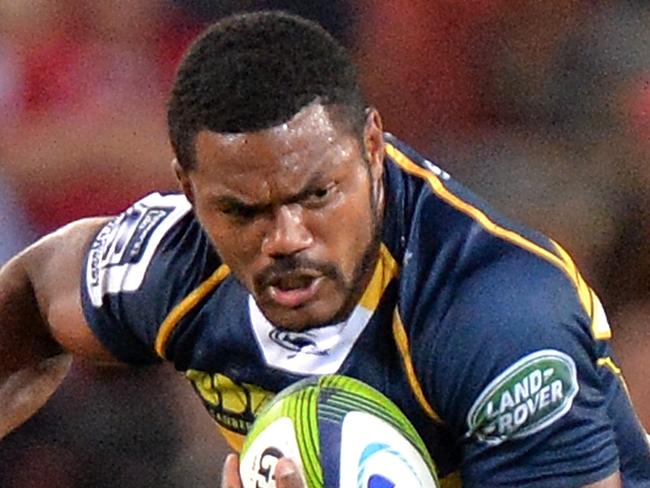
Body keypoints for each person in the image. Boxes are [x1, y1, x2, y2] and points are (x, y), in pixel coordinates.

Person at [1, 11, 648, 488]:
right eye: (241, 210)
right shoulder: (172, 264)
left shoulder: (496, 317)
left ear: (372, 149)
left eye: (317, 195)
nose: (285, 238)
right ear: (189, 190)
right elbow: (32, 294)